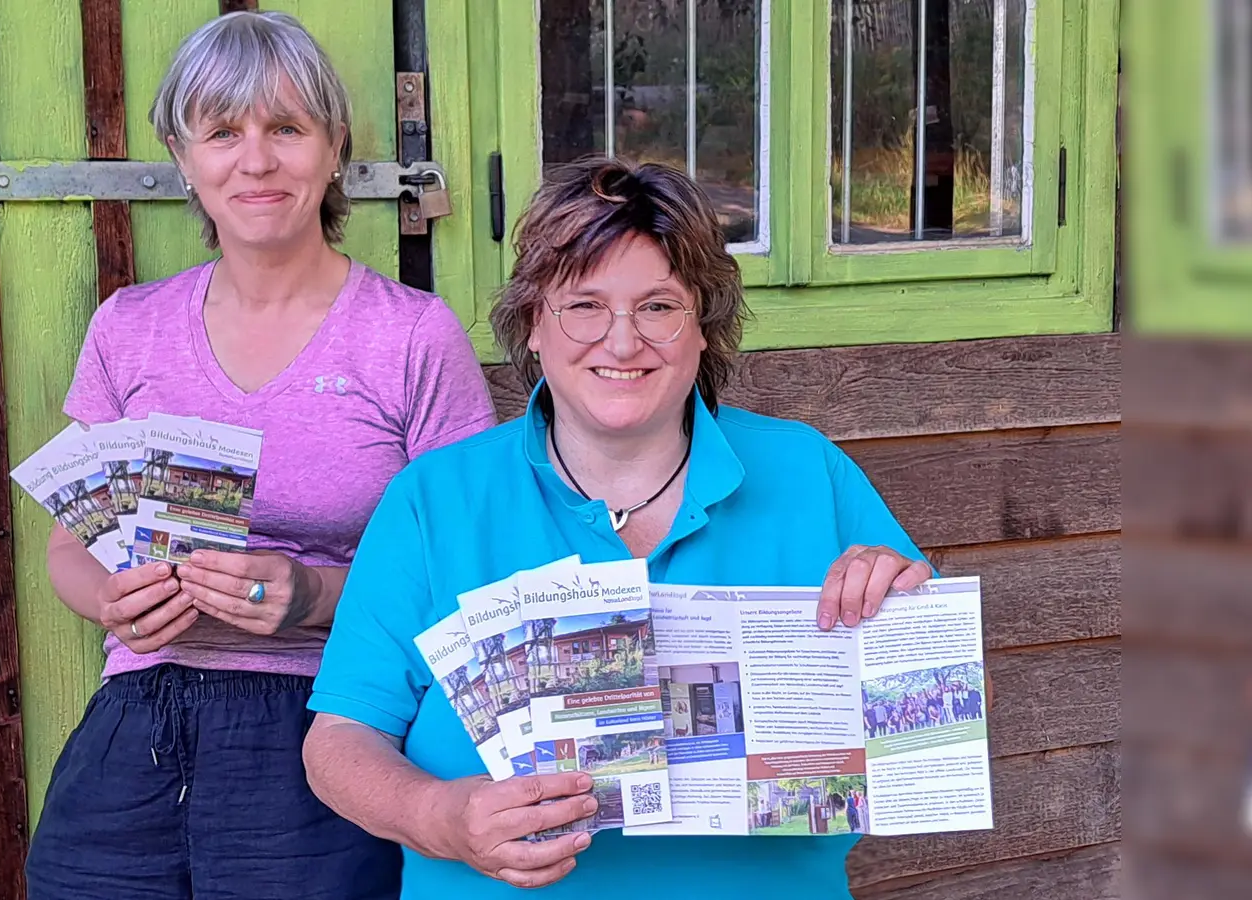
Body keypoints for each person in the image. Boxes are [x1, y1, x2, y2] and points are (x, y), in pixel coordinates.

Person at [301, 157, 934, 897]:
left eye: (659, 307)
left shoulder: (808, 473)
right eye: (585, 305)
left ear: (704, 327)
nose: (623, 342)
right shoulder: (434, 499)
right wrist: (442, 815)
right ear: (534, 323)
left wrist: (902, 621)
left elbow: (921, 728)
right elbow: (339, 742)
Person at [24, 11, 495, 900]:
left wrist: (312, 596)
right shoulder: (130, 328)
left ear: (332, 144)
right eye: (223, 132)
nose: (257, 160)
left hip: (330, 720)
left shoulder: (409, 336)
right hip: (140, 714)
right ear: (182, 151)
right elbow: (68, 543)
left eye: (286, 128)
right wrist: (112, 602)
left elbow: (466, 574)